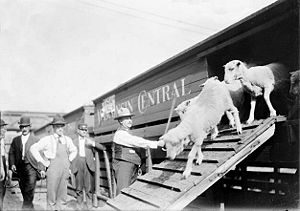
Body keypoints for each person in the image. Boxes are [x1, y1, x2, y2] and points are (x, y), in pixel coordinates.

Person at [112, 107, 165, 195]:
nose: (129, 120)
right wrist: (157, 144)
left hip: (131, 165)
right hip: (124, 165)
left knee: (130, 193)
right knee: (122, 193)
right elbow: (137, 141)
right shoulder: (120, 134)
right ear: (120, 121)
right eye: (126, 119)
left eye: (130, 118)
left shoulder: (127, 133)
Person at [30, 115, 77, 210]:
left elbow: (74, 150)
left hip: (64, 170)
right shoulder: (47, 139)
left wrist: (69, 160)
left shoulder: (67, 140)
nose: (60, 129)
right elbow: (33, 148)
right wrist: (41, 161)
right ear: (53, 127)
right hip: (52, 170)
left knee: (63, 196)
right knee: (52, 196)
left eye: (61, 126)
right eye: (57, 126)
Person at [8, 116, 44, 210]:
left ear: (30, 127)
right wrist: (12, 164)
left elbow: (41, 155)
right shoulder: (16, 140)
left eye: (26, 126)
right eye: (22, 127)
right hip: (20, 169)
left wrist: (41, 169)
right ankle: (30, 208)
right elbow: (11, 152)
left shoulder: (36, 140)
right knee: (24, 191)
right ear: (20, 128)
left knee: (29, 190)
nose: (24, 129)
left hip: (32, 167)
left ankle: (25, 209)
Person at [70, 123, 106, 209]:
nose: (84, 131)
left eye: (85, 130)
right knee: (78, 188)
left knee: (89, 188)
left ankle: (89, 207)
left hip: (88, 165)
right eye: (82, 130)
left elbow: (103, 148)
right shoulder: (73, 142)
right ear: (78, 131)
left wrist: (93, 144)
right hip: (78, 164)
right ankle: (80, 207)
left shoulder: (90, 140)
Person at [0, 119, 8, 211]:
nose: (4, 130)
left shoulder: (2, 141)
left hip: (3, 167)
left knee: (2, 192)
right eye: (2, 128)